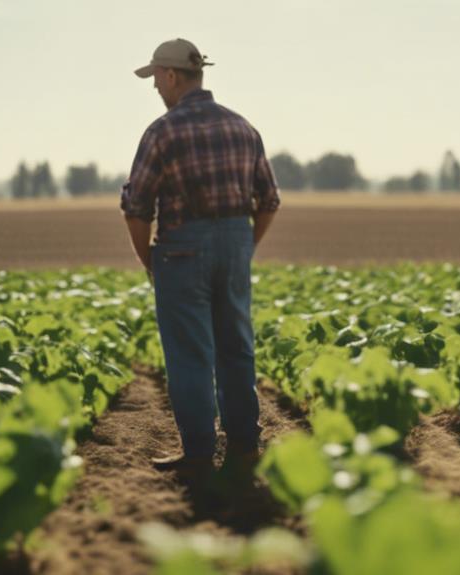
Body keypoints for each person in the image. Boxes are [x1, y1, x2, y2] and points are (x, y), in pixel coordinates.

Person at [120, 38, 280, 482]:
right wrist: (244, 244)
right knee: (236, 348)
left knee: (190, 355)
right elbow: (268, 200)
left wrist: (150, 262)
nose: (155, 88)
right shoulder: (242, 128)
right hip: (234, 243)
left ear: (171, 76)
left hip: (181, 249)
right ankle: (245, 448)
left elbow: (136, 208)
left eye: (155, 78)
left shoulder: (161, 132)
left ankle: (198, 454)